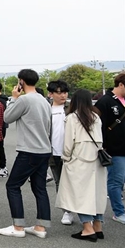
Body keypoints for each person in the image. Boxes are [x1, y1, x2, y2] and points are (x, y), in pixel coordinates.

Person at [0, 69, 52, 239]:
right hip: (44, 149)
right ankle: (41, 227)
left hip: (29, 150)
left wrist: (13, 98)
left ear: (21, 81)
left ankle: (18, 226)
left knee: (12, 186)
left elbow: (7, 117)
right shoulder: (43, 100)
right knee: (39, 188)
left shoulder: (24, 100)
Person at [55, 89, 108, 242]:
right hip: (96, 159)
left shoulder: (72, 117)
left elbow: (68, 143)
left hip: (79, 158)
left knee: (79, 193)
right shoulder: (96, 117)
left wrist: (66, 158)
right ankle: (98, 225)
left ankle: (87, 228)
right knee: (96, 192)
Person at [94, 72, 125, 224]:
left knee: (120, 181)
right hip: (114, 149)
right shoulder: (105, 101)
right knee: (116, 181)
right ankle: (118, 212)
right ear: (121, 84)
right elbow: (98, 126)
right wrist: (103, 146)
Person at [46, 80, 73, 225]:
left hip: (72, 152)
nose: (63, 95)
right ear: (51, 94)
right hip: (53, 152)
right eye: (59, 92)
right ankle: (66, 211)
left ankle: (82, 211)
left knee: (74, 182)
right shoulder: (46, 109)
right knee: (59, 182)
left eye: (64, 92)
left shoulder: (71, 108)